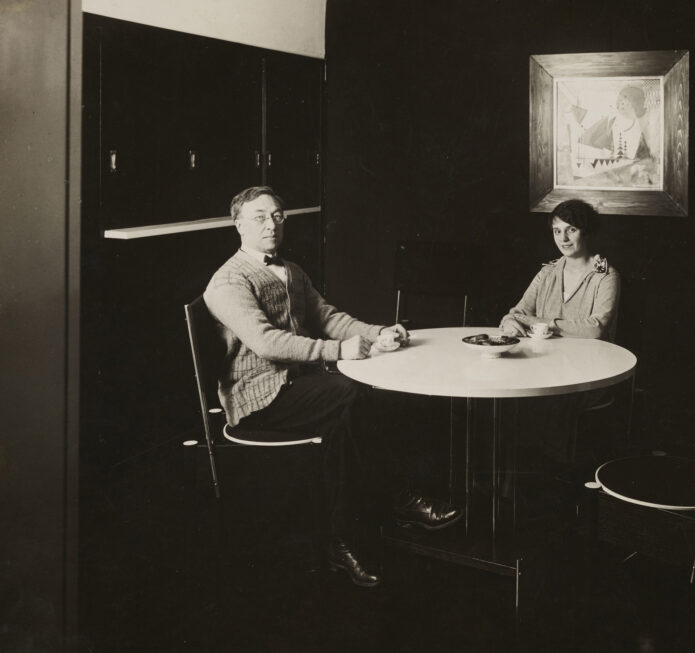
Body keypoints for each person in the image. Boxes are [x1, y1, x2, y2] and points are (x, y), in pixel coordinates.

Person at [204, 186, 461, 588]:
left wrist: (377, 333)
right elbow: (266, 342)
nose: (271, 224)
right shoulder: (227, 281)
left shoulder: (291, 270)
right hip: (259, 397)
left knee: (353, 411)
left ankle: (342, 538)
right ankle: (396, 501)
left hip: (299, 386)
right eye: (259, 217)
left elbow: (327, 316)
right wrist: (338, 350)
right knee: (351, 395)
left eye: (277, 216)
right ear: (237, 224)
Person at [499, 198, 621, 469]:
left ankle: (552, 479)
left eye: (571, 230)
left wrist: (543, 322)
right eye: (557, 230)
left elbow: (596, 327)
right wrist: (510, 323)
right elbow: (516, 312)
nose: (563, 238)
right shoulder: (547, 273)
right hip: (543, 368)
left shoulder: (605, 276)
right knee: (507, 397)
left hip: (588, 376)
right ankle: (517, 486)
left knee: (546, 404)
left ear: (586, 231)